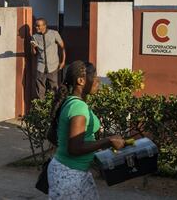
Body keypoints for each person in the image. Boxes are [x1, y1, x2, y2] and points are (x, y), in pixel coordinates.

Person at [47, 60, 125, 199]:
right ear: (81, 80)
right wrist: (107, 141)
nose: (97, 81)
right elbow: (75, 148)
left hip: (76, 172)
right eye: (94, 77)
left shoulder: (73, 101)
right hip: (69, 175)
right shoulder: (78, 107)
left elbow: (58, 138)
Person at [31, 18, 66, 100]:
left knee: (53, 89)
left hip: (53, 66)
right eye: (35, 25)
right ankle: (41, 108)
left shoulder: (54, 34)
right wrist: (33, 47)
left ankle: (53, 107)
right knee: (40, 89)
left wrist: (63, 61)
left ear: (44, 26)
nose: (36, 27)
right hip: (41, 66)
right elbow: (34, 53)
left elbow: (62, 47)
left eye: (38, 26)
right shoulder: (34, 37)